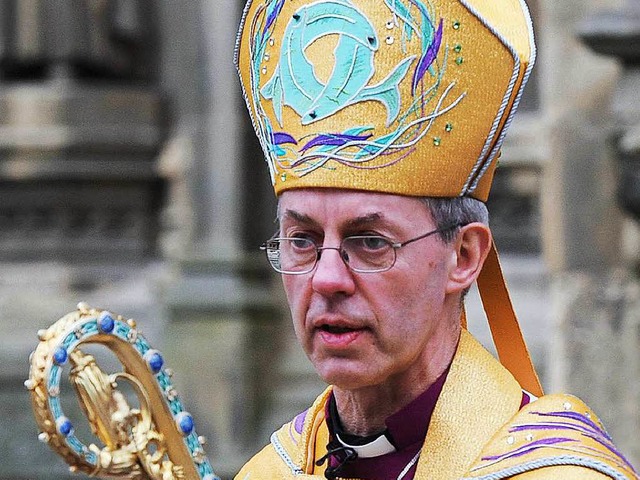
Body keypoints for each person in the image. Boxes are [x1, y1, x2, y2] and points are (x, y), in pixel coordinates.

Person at [234, 0, 639, 478]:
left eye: (369, 242)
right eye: (301, 240)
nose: (325, 279)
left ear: (463, 255)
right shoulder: (269, 471)